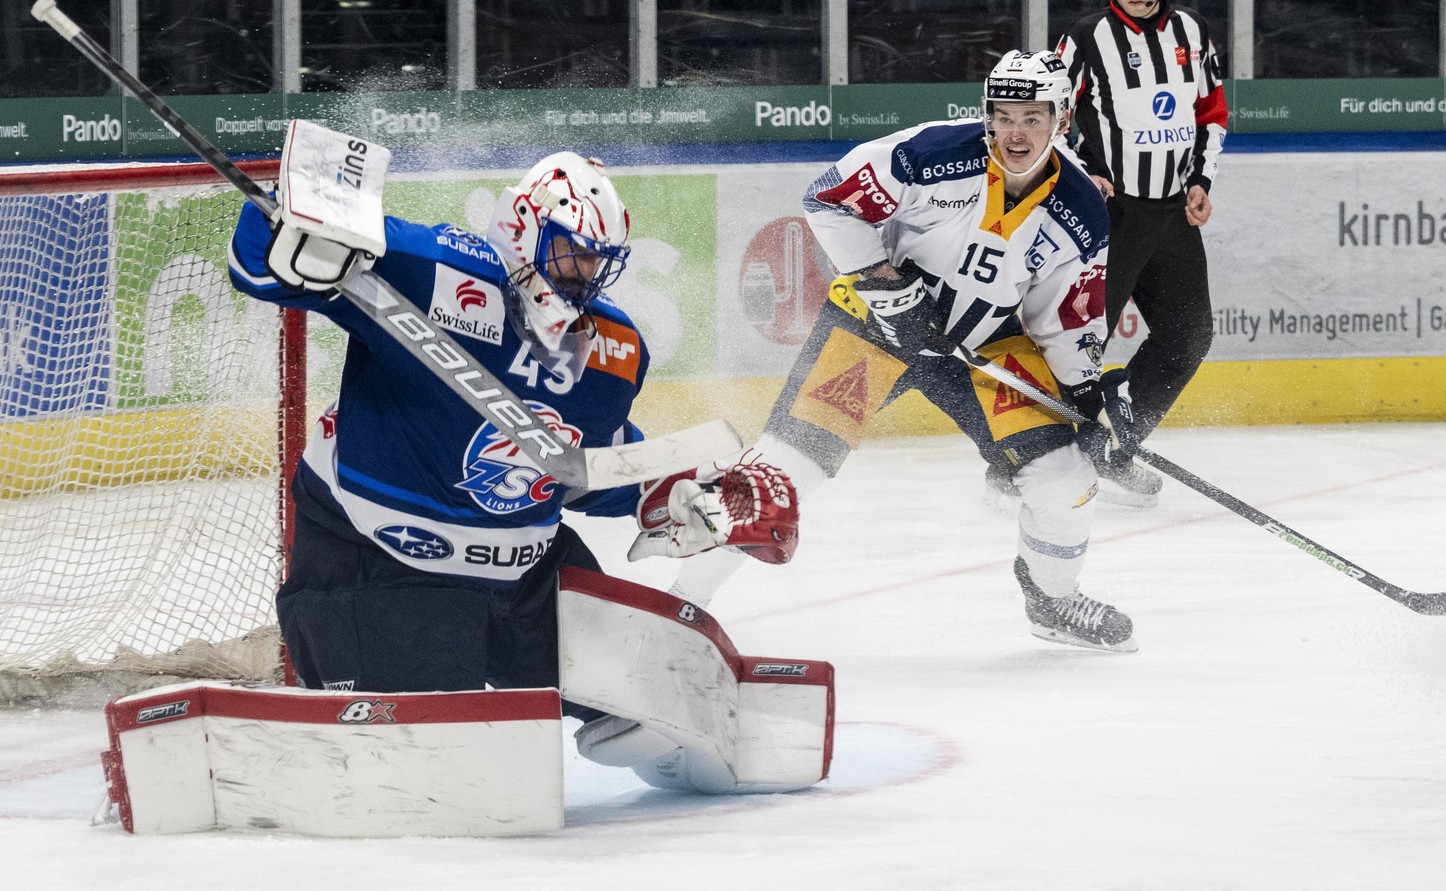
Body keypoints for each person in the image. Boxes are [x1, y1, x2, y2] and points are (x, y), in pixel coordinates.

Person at [227, 149, 796, 702]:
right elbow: (255, 268)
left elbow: (580, 461)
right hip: (383, 567)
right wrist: (288, 225)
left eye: (598, 260)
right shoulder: (436, 274)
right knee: (435, 743)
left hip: (525, 579)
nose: (586, 274)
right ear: (527, 228)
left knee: (641, 692)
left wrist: (673, 489)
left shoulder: (612, 351)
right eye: (574, 252)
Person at [671, 50, 1141, 653]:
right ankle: (680, 605)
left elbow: (1062, 315)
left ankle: (1052, 599)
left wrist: (1084, 397)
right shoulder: (931, 154)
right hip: (870, 330)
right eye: (1002, 116)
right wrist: (891, 293)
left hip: (981, 346)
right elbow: (828, 199)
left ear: (1062, 120)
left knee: (1063, 478)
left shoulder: (1080, 208)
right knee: (784, 473)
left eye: (1032, 116)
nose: (1015, 132)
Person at [1055, 0, 1229, 507]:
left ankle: (1114, 451)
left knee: (1188, 336)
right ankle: (1024, 463)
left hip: (1173, 214)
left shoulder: (1192, 30)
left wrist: (1201, 178)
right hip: (1108, 213)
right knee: (1080, 345)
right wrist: (1078, 174)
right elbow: (1048, 114)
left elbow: (1210, 111)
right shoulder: (1087, 36)